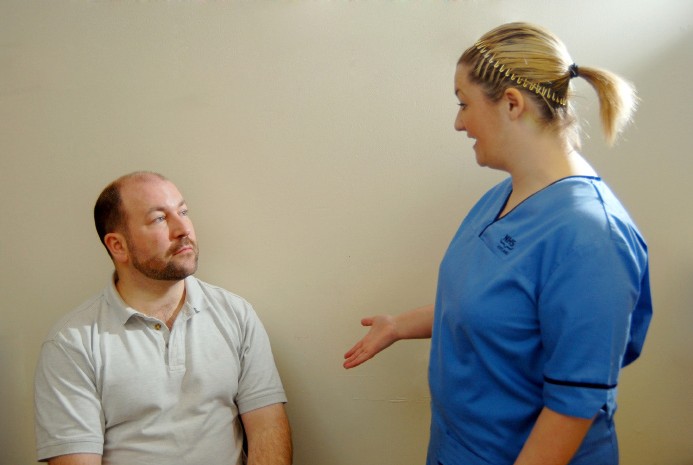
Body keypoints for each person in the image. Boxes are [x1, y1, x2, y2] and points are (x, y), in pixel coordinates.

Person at [344, 22, 652, 465]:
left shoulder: (589, 237)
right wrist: (399, 324)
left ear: (511, 103)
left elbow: (573, 407)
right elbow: (501, 311)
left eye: (463, 103)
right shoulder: (504, 196)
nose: (458, 122)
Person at [34, 171, 292, 465]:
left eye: (183, 212)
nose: (183, 228)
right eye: (159, 218)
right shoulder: (71, 343)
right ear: (118, 246)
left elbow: (267, 428)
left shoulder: (236, 314)